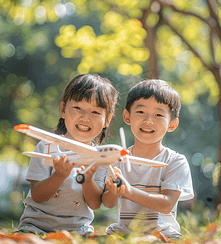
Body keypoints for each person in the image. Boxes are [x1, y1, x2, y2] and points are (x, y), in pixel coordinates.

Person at [18, 74, 118, 236]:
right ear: (63, 110)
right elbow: (37, 195)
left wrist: (88, 180)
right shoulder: (46, 146)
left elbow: (94, 203)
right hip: (36, 227)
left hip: (78, 230)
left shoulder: (101, 157)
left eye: (95, 112)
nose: (85, 117)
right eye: (78, 108)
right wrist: (59, 176)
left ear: (107, 120)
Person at [102, 79, 194, 239]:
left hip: (162, 235)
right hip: (124, 233)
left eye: (159, 114)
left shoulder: (175, 161)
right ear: (127, 116)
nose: (148, 120)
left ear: (172, 124)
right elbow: (108, 203)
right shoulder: (118, 158)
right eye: (140, 112)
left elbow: (167, 205)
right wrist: (113, 190)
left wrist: (129, 191)